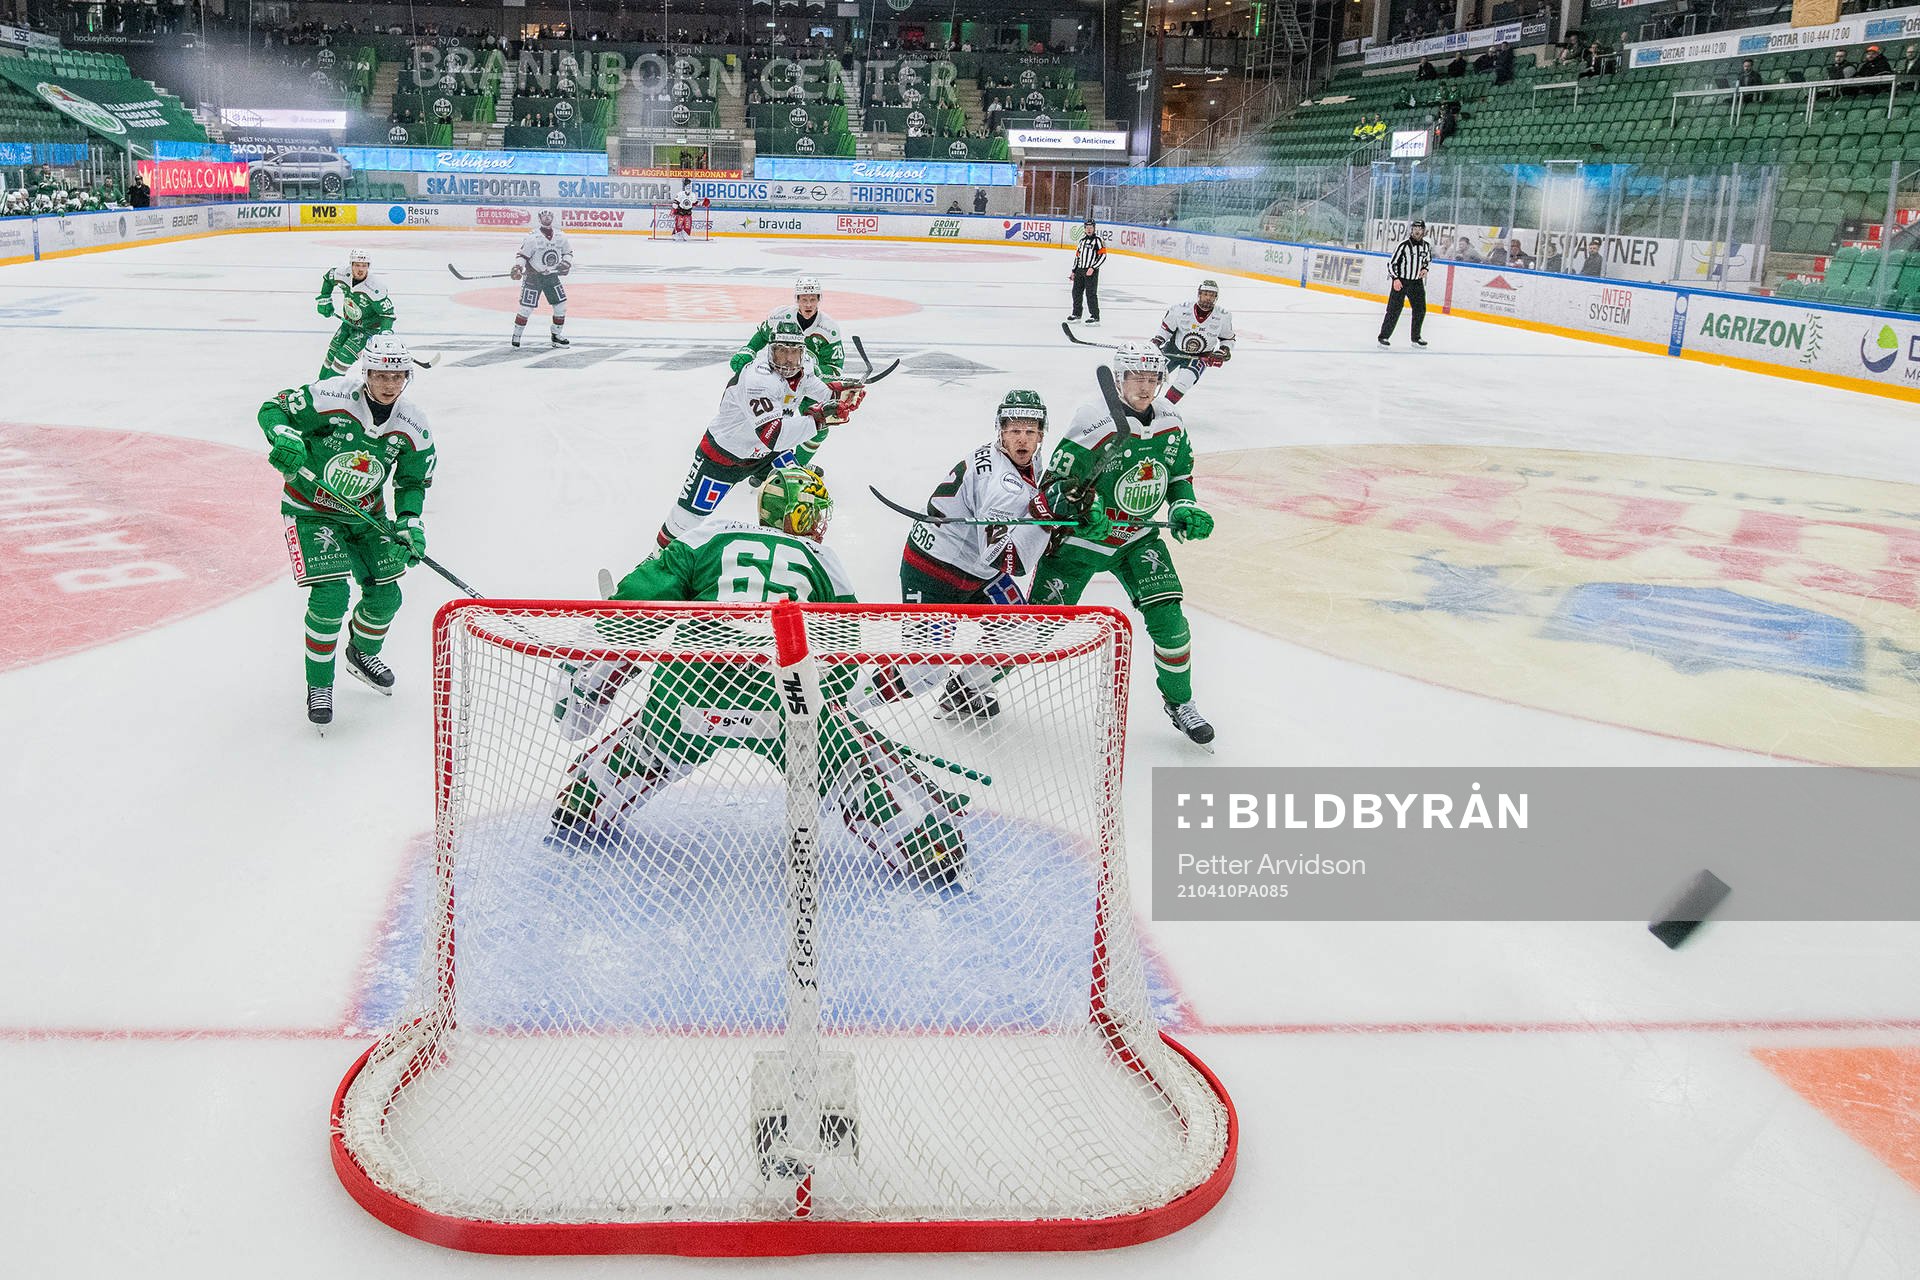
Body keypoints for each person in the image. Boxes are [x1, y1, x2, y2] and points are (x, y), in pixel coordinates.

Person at [549, 466, 974, 890]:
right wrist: (832, 707)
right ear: (801, 515)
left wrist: (608, 640)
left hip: (691, 690)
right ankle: (925, 848)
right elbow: (845, 659)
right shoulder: (823, 560)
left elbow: (635, 612)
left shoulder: (708, 533)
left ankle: (581, 804)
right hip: (784, 701)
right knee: (850, 776)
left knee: (647, 747)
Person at [1027, 345, 1216, 746]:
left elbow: (1180, 473)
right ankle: (971, 684)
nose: (1146, 388)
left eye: (1152, 379)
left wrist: (1184, 505)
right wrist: (1085, 506)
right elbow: (1054, 485)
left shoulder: (1170, 419)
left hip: (1136, 539)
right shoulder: (1094, 421)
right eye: (1137, 379)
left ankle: (1179, 702)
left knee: (1172, 625)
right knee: (1035, 630)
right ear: (1119, 380)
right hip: (1080, 544)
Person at [258, 334, 435, 728]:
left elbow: (411, 483)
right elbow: (274, 409)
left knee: (387, 596)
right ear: (366, 372)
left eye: (398, 376)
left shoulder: (413, 426)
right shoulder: (330, 396)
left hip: (366, 515)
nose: (389, 384)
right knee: (331, 596)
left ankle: (361, 651)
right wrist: (283, 436)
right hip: (311, 509)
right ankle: (319, 684)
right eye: (381, 375)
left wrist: (409, 524)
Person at [882, 390, 1053, 719]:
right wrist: (1045, 516)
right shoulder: (1002, 485)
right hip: (933, 572)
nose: (1022, 439)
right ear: (1000, 431)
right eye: (1014, 430)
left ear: (1041, 435)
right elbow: (1009, 561)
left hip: (975, 572)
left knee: (1019, 630)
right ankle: (846, 705)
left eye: (1030, 432)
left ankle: (965, 690)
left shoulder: (1027, 461)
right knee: (923, 673)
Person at [660, 320, 862, 548]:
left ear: (802, 352)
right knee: (685, 521)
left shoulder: (804, 365)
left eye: (793, 352)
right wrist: (818, 419)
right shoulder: (758, 379)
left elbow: (819, 391)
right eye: (781, 352)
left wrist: (839, 399)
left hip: (768, 454)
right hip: (724, 456)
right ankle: (654, 562)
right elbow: (774, 435)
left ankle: (790, 552)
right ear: (769, 351)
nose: (787, 360)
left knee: (798, 493)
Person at [730, 275, 846, 380]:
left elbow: (834, 368)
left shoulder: (829, 329)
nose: (808, 305)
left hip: (808, 382)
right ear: (797, 299)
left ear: (819, 299)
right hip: (777, 375)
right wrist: (749, 351)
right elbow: (762, 335)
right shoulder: (779, 317)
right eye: (804, 299)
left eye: (813, 299)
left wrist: (816, 371)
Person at [1151, 278, 1235, 407]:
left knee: (1183, 383)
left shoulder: (1223, 316)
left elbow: (1227, 339)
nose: (1208, 298)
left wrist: (1223, 351)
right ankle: (1140, 406)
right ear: (1199, 294)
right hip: (1172, 351)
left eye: (1211, 295)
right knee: (1151, 378)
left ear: (1216, 297)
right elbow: (1165, 330)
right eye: (1205, 294)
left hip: (1200, 357)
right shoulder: (1180, 309)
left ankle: (1164, 408)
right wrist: (1156, 342)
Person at [314, 248, 396, 379]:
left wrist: (385, 333)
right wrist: (325, 299)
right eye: (357, 265)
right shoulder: (342, 274)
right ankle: (320, 386)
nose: (360, 269)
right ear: (351, 265)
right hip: (348, 323)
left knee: (343, 358)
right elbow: (328, 278)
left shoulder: (375, 287)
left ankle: (330, 391)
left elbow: (387, 314)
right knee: (332, 352)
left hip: (367, 330)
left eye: (364, 265)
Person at [510, 209, 573, 347]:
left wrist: (565, 263)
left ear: (552, 217)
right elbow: (522, 256)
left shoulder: (560, 236)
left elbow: (568, 252)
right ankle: (516, 335)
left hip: (552, 276)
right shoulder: (533, 237)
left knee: (560, 306)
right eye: (544, 216)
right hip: (534, 277)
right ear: (539, 218)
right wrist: (518, 268)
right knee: (526, 309)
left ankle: (556, 336)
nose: (547, 218)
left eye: (549, 215)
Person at [1378, 218, 1431, 348]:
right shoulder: (1403, 245)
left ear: (1424, 231)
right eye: (1415, 229)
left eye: (1420, 229)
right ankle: (1383, 337)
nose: (1417, 231)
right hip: (1401, 281)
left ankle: (1416, 338)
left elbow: (1427, 260)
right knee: (1394, 309)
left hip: (1416, 282)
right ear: (1411, 230)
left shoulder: (1426, 246)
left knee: (1420, 309)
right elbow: (1392, 264)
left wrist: (1425, 268)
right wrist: (1395, 278)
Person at [1069, 216, 1105, 324]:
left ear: (1094, 228)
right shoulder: (1081, 241)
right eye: (1087, 227)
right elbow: (1077, 257)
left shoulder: (1098, 241)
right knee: (1076, 292)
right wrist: (1073, 271)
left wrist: (1093, 268)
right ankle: (1076, 314)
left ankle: (1095, 316)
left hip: (1091, 272)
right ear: (1084, 228)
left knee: (1091, 294)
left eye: (1091, 227)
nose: (1089, 229)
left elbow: (1103, 256)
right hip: (1080, 270)